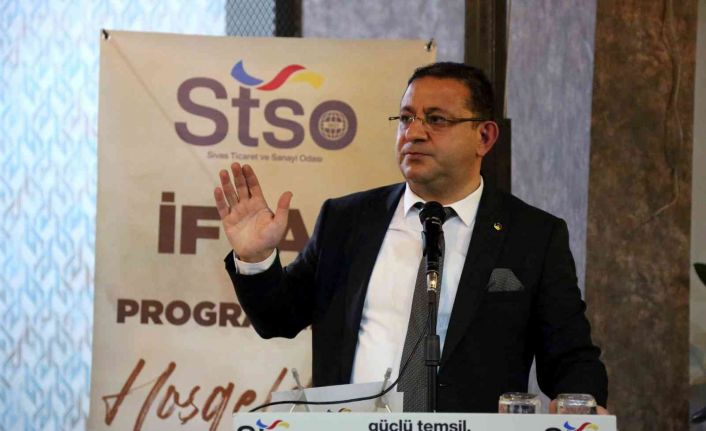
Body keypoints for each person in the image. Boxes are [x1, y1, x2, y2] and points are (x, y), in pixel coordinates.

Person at [214, 62, 609, 413]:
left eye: (436, 119)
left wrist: (584, 408)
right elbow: (279, 319)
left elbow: (570, 356)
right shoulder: (347, 221)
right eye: (406, 118)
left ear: (484, 137)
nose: (414, 133)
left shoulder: (533, 235)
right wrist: (256, 259)